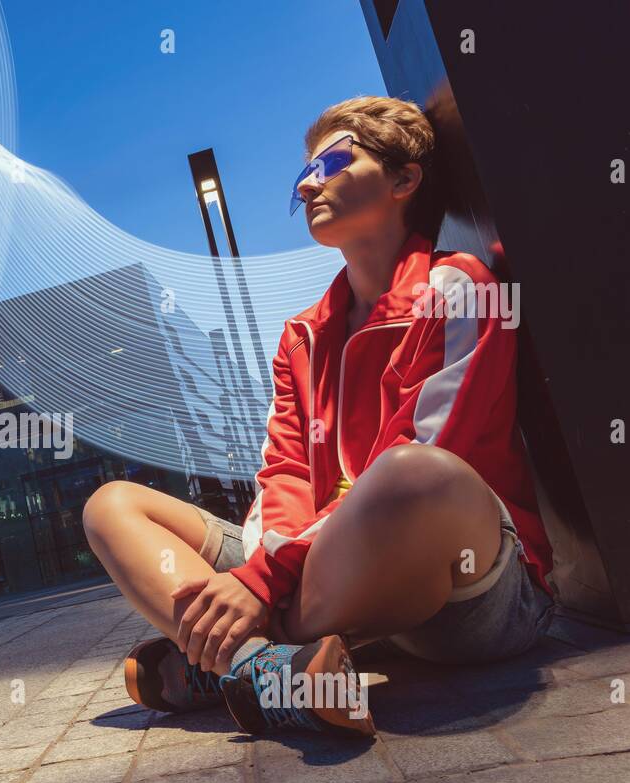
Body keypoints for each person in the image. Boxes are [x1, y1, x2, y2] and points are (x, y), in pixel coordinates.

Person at [83, 96, 556, 737]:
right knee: (112, 505)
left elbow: (434, 449)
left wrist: (258, 586)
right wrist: (260, 573)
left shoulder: (460, 289)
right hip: (319, 573)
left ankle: (222, 653)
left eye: (334, 161)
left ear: (402, 179)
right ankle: (264, 667)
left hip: (462, 592)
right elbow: (283, 474)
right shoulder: (302, 335)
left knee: (415, 473)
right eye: (302, 174)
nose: (307, 183)